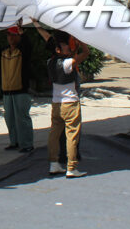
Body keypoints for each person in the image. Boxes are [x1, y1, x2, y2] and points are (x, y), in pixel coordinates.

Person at [0, 21, 34, 153]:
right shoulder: (4, 52)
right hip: (7, 91)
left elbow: (29, 46)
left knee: (22, 118)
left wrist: (23, 34)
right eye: (9, 35)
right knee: (9, 118)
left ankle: (27, 144)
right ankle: (14, 141)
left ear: (19, 36)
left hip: (21, 91)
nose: (11, 37)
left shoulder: (22, 51)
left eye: (14, 35)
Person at [42, 27, 89, 178]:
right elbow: (86, 54)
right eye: (64, 45)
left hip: (56, 103)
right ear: (58, 50)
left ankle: (53, 163)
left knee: (54, 134)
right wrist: (81, 41)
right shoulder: (68, 64)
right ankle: (71, 167)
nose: (68, 46)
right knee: (72, 135)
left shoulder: (50, 62)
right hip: (70, 103)